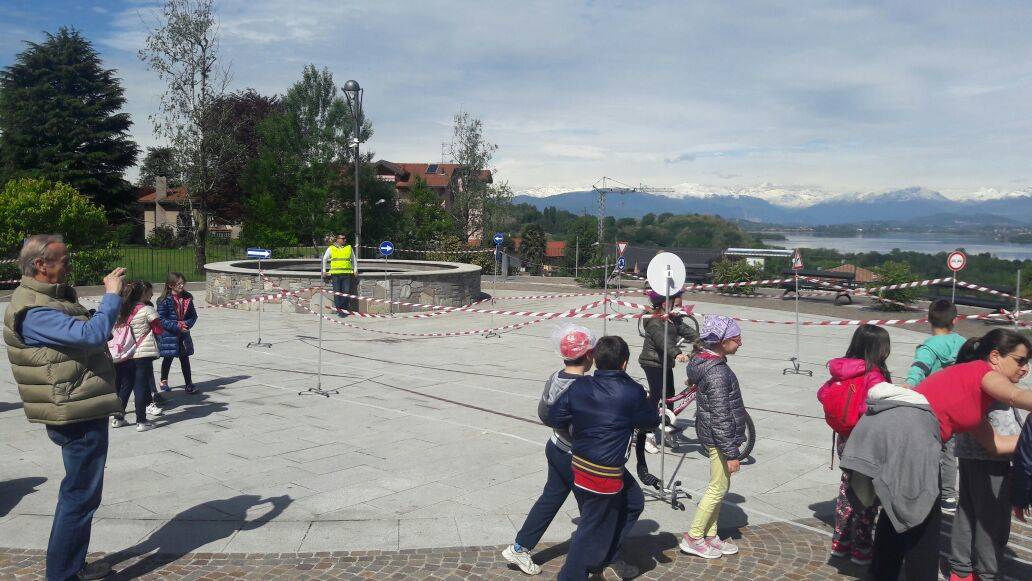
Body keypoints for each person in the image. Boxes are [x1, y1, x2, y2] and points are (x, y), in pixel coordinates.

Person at [840, 328, 1032, 581]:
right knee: (923, 525)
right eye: (1020, 361)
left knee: (898, 512)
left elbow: (995, 444)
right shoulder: (982, 371)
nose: (1025, 369)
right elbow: (1017, 396)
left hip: (896, 434)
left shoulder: (968, 389)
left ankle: (881, 573)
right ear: (995, 356)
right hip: (910, 435)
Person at [2, 234, 125, 580]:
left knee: (82, 493)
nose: (69, 263)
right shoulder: (34, 310)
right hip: (75, 411)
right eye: (63, 259)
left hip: (80, 403)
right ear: (41, 264)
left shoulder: (47, 299)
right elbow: (92, 335)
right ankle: (63, 574)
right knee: (79, 495)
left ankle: (71, 566)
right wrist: (111, 296)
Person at [550, 335, 659, 581]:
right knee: (591, 525)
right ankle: (571, 575)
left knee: (633, 502)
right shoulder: (632, 391)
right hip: (605, 472)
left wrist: (583, 423)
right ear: (624, 363)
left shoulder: (579, 386)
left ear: (595, 359)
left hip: (581, 463)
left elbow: (555, 417)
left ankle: (605, 557)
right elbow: (650, 421)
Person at [502, 324, 596, 576]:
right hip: (574, 455)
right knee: (594, 509)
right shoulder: (584, 388)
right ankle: (602, 556)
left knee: (551, 498)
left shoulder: (555, 377)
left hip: (555, 446)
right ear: (588, 355)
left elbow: (544, 413)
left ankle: (520, 547)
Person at [679, 315, 748, 560]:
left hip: (716, 436)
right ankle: (694, 537)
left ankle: (710, 535)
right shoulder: (717, 373)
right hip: (720, 439)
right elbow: (721, 416)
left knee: (721, 486)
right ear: (722, 341)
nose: (740, 343)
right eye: (737, 339)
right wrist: (731, 453)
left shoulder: (709, 362)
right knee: (717, 488)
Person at [824, 325, 891, 567]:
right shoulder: (874, 373)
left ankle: (840, 543)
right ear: (877, 349)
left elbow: (823, 394)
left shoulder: (841, 368)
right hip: (865, 442)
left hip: (844, 438)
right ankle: (861, 547)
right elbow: (873, 407)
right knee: (867, 494)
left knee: (846, 489)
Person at [948, 396, 1024, 581]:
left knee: (967, 511)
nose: (1025, 369)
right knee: (991, 520)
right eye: (1020, 364)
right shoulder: (994, 382)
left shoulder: (979, 376)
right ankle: (987, 573)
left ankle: (961, 571)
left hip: (969, 449)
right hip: (994, 456)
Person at [906, 299, 967, 513]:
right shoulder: (962, 342)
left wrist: (908, 387)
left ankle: (925, 490)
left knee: (928, 450)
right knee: (950, 453)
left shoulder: (929, 347)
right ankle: (949, 496)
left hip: (932, 407)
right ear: (955, 320)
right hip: (956, 406)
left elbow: (918, 369)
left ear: (928, 320)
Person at [637, 289, 698, 453]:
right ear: (665, 303)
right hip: (652, 362)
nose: (681, 307)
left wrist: (704, 339)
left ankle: (668, 430)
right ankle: (647, 434)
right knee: (657, 395)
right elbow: (661, 340)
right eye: (677, 304)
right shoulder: (655, 321)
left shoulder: (672, 319)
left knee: (669, 397)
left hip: (665, 363)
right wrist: (677, 354)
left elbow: (687, 331)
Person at [110, 281, 149, 430]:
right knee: (134, 386)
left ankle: (118, 417)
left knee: (121, 386)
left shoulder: (116, 308)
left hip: (115, 352)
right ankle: (137, 420)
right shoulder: (139, 309)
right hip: (132, 352)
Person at [128, 280, 164, 430]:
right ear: (143, 293)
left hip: (126, 351)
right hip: (142, 352)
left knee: (124, 385)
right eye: (150, 291)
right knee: (141, 387)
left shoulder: (124, 308)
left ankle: (117, 417)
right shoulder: (147, 309)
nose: (152, 293)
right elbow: (158, 330)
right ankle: (141, 421)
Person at [157, 272, 198, 395]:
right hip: (170, 334)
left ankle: (189, 384)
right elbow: (161, 319)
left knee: (184, 358)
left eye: (183, 283)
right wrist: (177, 327)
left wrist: (186, 324)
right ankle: (163, 380)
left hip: (183, 334)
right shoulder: (163, 300)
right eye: (178, 284)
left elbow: (193, 315)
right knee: (168, 357)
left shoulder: (187, 298)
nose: (181, 286)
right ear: (170, 285)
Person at [321, 233, 355, 317]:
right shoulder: (331, 248)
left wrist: (355, 270)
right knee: (337, 293)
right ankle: (339, 310)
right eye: (343, 238)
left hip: (346, 274)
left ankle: (341, 308)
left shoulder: (349, 248)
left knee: (346, 292)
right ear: (338, 239)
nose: (345, 240)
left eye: (345, 238)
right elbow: (324, 259)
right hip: (335, 275)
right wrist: (324, 271)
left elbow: (354, 259)